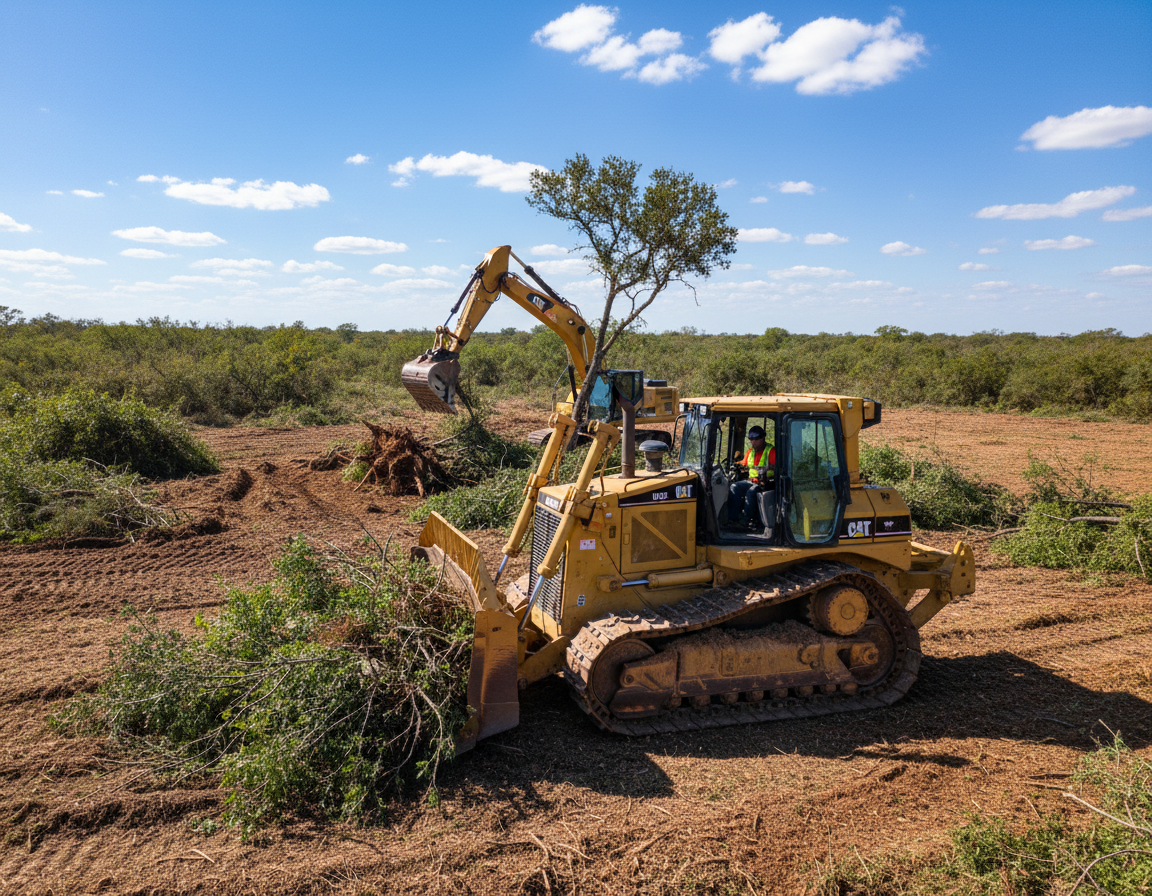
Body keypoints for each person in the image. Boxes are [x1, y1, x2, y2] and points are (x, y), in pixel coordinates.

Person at [727, 425, 775, 528]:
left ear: (763, 438)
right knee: (734, 487)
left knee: (751, 492)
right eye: (750, 439)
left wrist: (767, 475)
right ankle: (733, 519)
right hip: (751, 481)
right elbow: (744, 463)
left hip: (766, 483)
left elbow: (778, 468)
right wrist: (735, 464)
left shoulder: (771, 451)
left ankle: (747, 520)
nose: (752, 441)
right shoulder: (751, 451)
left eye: (756, 439)